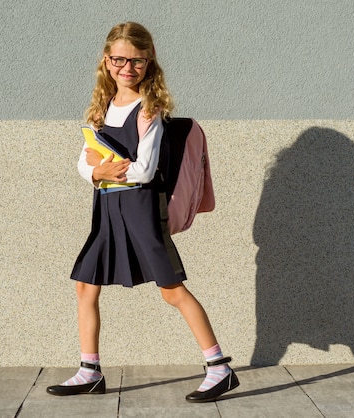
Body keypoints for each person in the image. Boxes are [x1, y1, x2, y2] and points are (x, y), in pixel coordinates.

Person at [46, 22, 239, 403]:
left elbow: (146, 170)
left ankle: (220, 368)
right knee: (86, 285)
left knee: (171, 290)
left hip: (141, 209)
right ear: (107, 60)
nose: (127, 67)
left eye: (136, 60)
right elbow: (82, 163)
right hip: (107, 208)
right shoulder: (101, 107)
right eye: (119, 59)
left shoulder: (149, 110)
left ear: (149, 63)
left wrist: (104, 170)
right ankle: (90, 371)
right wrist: (96, 172)